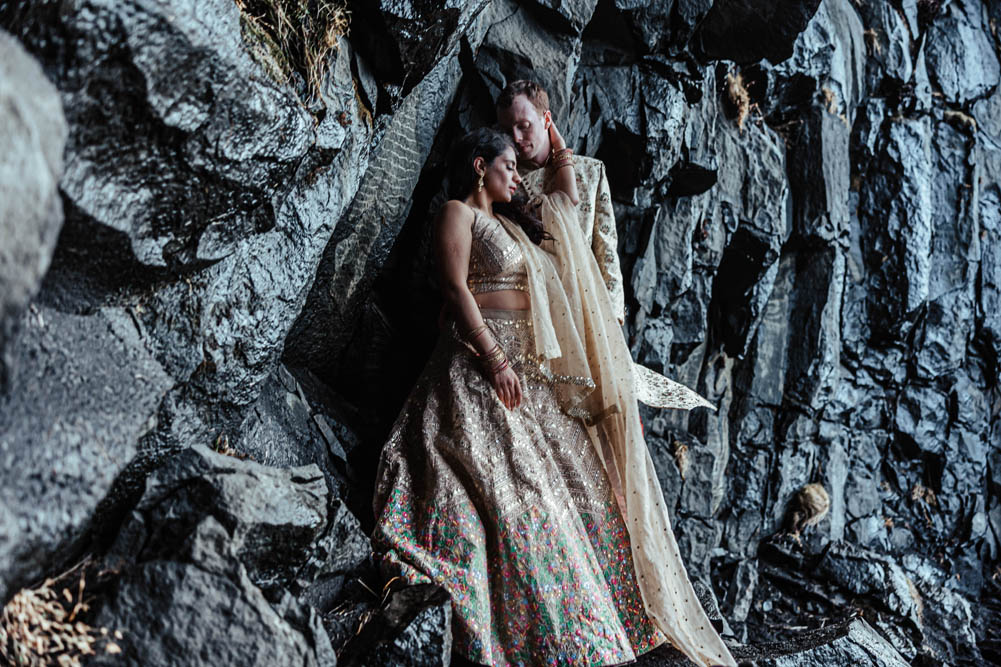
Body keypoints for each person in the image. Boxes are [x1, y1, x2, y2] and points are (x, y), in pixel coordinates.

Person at [371, 126, 736, 667]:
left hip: (525, 375)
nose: (517, 177)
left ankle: (603, 630)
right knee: (509, 489)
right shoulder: (459, 213)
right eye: (509, 166)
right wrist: (494, 360)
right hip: (479, 367)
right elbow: (455, 288)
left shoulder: (509, 225)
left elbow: (566, 204)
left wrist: (553, 137)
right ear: (479, 166)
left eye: (519, 167)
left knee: (576, 491)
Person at [496, 80, 624, 324]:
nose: (516, 138)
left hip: (592, 310)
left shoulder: (591, 171)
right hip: (536, 313)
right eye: (506, 131)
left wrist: (614, 315)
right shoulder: (505, 183)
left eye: (524, 126)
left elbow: (606, 249)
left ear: (546, 120)